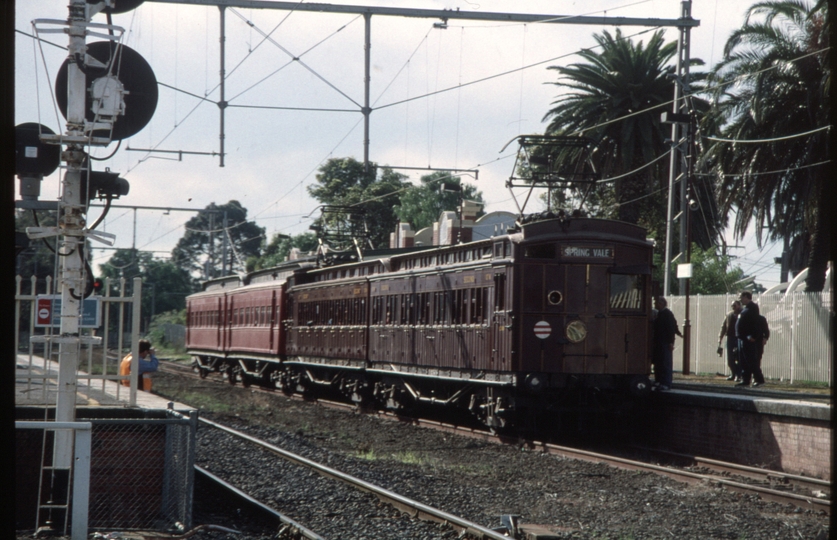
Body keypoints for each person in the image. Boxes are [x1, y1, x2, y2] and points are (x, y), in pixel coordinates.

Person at [735, 291, 765, 388]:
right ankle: (746, 380)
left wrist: (752, 336)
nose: (740, 299)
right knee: (743, 361)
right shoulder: (745, 309)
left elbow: (755, 323)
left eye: (741, 297)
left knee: (751, 360)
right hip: (742, 338)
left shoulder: (752, 307)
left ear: (746, 297)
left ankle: (759, 380)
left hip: (747, 339)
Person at [652, 296, 681, 391]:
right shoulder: (662, 314)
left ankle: (666, 383)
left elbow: (670, 329)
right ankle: (661, 381)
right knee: (661, 363)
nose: (655, 305)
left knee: (665, 363)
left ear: (661, 304)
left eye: (657, 303)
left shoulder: (666, 314)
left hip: (664, 342)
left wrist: (670, 342)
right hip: (661, 342)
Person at [718, 300, 743, 381]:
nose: (733, 307)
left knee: (739, 357)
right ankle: (734, 373)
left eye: (734, 305)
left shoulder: (743, 314)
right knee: (730, 358)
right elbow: (724, 326)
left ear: (739, 305)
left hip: (740, 338)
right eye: (732, 306)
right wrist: (720, 337)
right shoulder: (729, 315)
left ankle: (738, 375)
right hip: (730, 337)